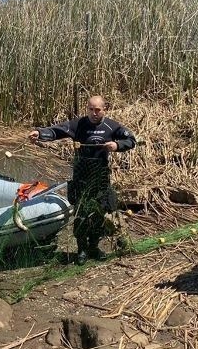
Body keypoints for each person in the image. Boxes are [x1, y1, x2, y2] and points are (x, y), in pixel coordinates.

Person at [29, 96, 136, 265]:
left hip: (100, 177)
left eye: (98, 110)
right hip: (81, 177)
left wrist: (117, 146)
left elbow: (131, 140)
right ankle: (82, 250)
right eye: (91, 109)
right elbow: (57, 131)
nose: (94, 113)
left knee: (99, 214)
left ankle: (94, 247)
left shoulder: (111, 126)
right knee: (81, 214)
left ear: (104, 109)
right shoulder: (77, 125)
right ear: (87, 109)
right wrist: (40, 133)